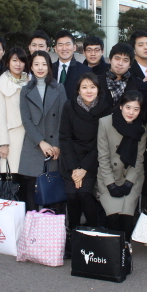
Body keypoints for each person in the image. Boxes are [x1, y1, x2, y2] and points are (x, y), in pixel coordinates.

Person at [59, 73, 113, 229]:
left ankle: (92, 231)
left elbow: (102, 143)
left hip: (93, 159)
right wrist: (74, 168)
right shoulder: (69, 106)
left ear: (98, 89)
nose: (89, 91)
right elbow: (65, 137)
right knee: (72, 195)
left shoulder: (106, 108)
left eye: (92, 87)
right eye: (84, 87)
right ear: (78, 90)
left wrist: (84, 168)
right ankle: (73, 232)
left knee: (85, 195)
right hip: (71, 159)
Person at [18, 50, 67, 211]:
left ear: (49, 67)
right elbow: (26, 120)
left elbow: (63, 118)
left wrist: (57, 145)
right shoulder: (25, 90)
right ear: (31, 67)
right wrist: (41, 142)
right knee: (32, 193)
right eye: (36, 64)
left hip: (54, 148)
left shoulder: (59, 88)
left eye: (44, 64)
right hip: (33, 146)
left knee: (54, 192)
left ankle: (55, 226)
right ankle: (33, 226)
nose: (40, 68)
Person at [97, 90, 147, 238]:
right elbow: (103, 157)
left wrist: (129, 182)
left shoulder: (141, 128)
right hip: (109, 176)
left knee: (126, 219)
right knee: (113, 218)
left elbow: (139, 159)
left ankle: (126, 248)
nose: (131, 112)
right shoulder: (105, 122)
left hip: (131, 176)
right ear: (121, 106)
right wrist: (110, 184)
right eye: (128, 107)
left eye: (136, 109)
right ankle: (114, 250)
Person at [0, 47, 29, 175]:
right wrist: (3, 143)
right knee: (12, 176)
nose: (18, 64)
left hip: (30, 137)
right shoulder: (0, 83)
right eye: (14, 60)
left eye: (21, 61)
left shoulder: (30, 80)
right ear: (7, 62)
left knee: (30, 178)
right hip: (11, 138)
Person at [98, 43, 140, 108]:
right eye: (117, 59)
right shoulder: (96, 82)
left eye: (125, 60)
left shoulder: (138, 84)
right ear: (110, 60)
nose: (120, 63)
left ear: (130, 65)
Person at [51, 30, 89, 99]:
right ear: (55, 49)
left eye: (67, 44)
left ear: (74, 47)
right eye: (60, 45)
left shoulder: (85, 71)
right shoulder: (49, 69)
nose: (64, 48)